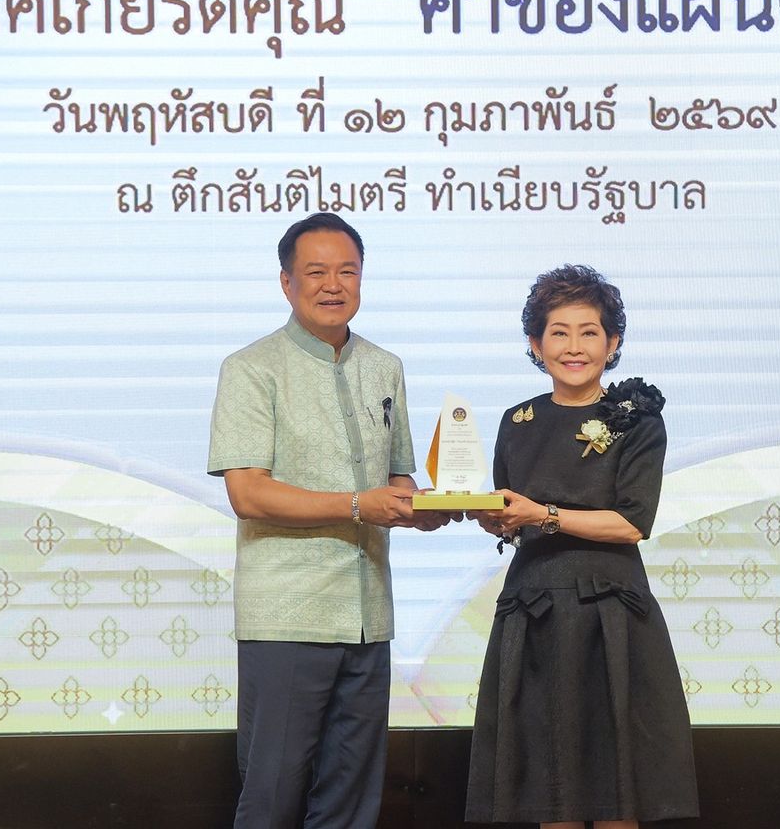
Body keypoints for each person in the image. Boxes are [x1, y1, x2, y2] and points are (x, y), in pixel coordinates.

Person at [207, 212, 447, 828]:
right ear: (286, 282)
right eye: (316, 272)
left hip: (368, 615)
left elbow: (397, 479)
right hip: (288, 614)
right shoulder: (251, 368)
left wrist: (426, 509)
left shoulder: (385, 366)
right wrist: (360, 505)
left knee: (352, 801)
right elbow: (249, 493)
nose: (333, 285)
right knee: (273, 795)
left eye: (348, 271)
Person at [465, 264, 699, 827]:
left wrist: (542, 515)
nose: (574, 347)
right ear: (535, 344)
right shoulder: (516, 421)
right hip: (534, 607)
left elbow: (632, 523)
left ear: (612, 342)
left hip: (610, 610)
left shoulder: (636, 421)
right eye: (559, 332)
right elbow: (513, 518)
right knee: (552, 790)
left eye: (589, 332)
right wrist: (493, 520)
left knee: (619, 788)